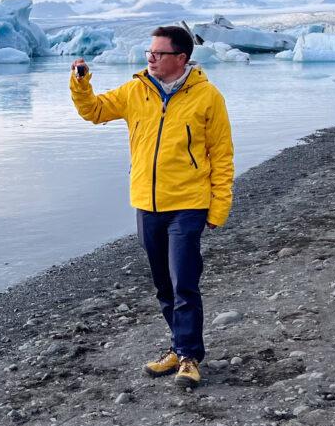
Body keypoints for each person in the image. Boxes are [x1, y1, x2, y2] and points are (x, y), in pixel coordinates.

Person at [69, 25, 234, 388]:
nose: (151, 58)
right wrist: (81, 83)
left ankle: (189, 356)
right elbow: (94, 112)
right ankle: (179, 347)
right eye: (149, 53)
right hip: (147, 202)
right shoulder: (136, 91)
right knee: (163, 284)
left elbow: (222, 157)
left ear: (181, 58)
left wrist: (218, 207)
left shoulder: (208, 97)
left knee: (184, 281)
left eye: (158, 53)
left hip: (188, 203)